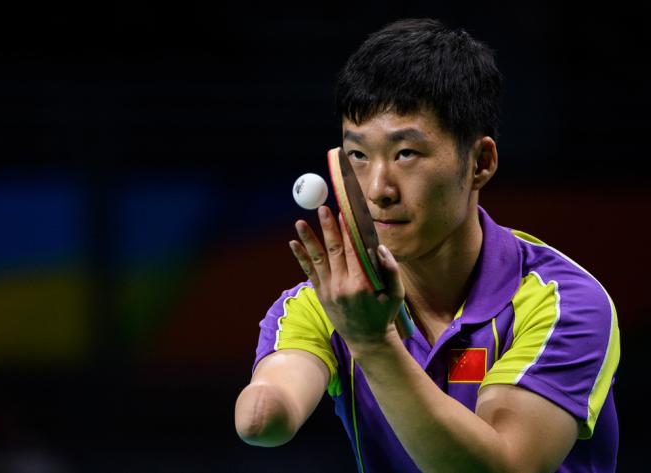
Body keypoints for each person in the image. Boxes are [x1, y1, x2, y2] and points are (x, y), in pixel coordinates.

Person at [234, 18, 620, 473]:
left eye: (406, 155)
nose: (378, 189)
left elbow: (507, 466)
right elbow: (266, 416)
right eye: (358, 155)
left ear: (480, 163)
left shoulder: (563, 304)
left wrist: (373, 344)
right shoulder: (335, 302)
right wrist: (265, 406)